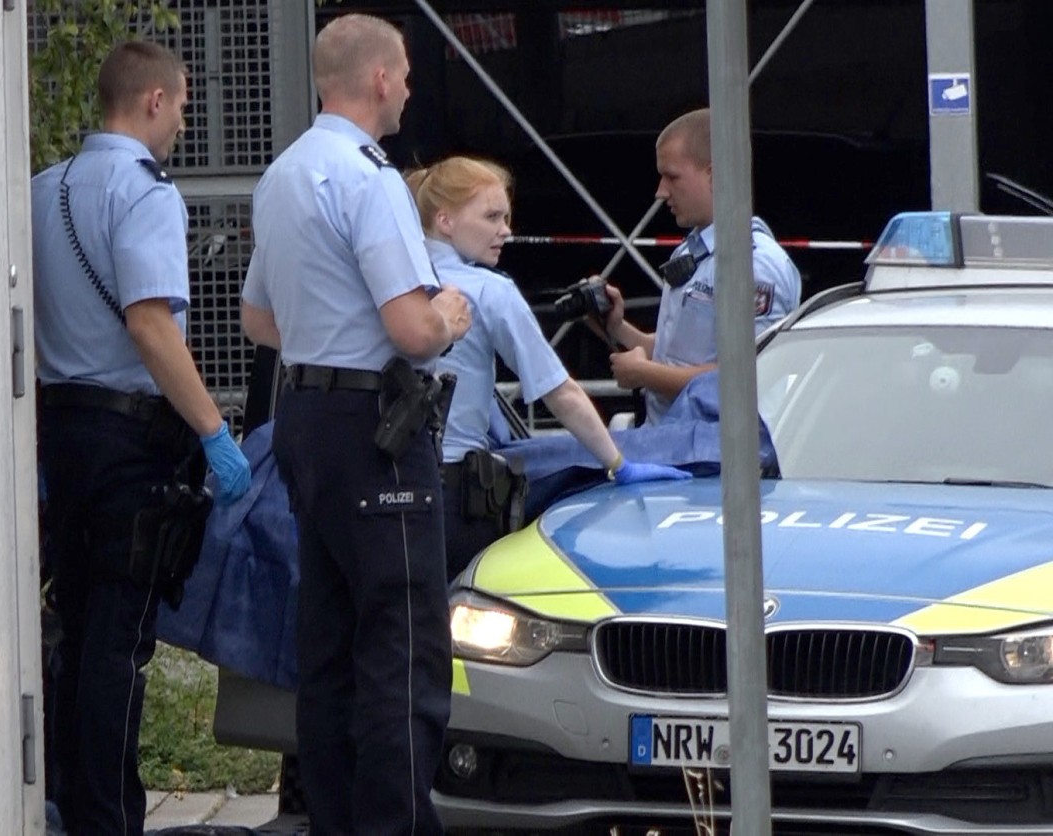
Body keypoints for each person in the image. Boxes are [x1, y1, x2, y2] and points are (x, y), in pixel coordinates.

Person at [239, 14, 471, 835]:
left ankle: (333, 821)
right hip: (377, 428)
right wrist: (447, 312)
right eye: (405, 74)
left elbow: (257, 319)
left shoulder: (286, 174)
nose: (408, 88)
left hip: (304, 415)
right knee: (401, 646)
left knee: (330, 644)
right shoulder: (369, 179)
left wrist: (326, 325)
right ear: (378, 80)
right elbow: (410, 330)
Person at [31, 40, 251, 836]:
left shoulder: (43, 189)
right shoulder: (147, 194)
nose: (186, 121)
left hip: (63, 430)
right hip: (129, 444)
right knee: (118, 643)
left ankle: (58, 801)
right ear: (153, 100)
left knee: (76, 624)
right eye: (186, 104)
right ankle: (108, 819)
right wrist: (215, 433)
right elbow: (151, 325)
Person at [406, 156, 651, 578]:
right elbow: (561, 392)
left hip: (380, 482)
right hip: (448, 489)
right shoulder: (488, 290)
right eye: (492, 216)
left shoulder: (389, 280)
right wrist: (618, 462)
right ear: (445, 220)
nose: (507, 230)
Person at [606, 107, 801, 423]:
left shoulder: (751, 264)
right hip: (679, 447)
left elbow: (745, 377)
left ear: (714, 175)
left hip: (718, 459)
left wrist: (644, 374)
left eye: (672, 177)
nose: (660, 191)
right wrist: (618, 328)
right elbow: (682, 356)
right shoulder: (692, 251)